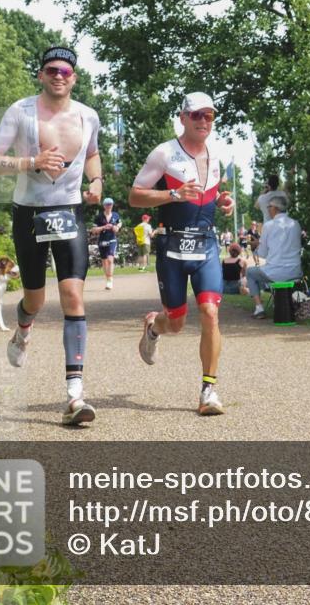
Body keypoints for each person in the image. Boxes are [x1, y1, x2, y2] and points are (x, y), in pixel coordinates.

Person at [0, 45, 103, 426]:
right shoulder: (21, 111)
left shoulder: (88, 116)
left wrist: (96, 180)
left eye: (66, 72)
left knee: (72, 294)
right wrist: (30, 162)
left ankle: (74, 394)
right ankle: (22, 330)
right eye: (52, 70)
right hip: (29, 214)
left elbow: (94, 154)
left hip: (69, 212)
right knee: (34, 298)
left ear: (74, 78)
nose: (59, 76)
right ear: (41, 75)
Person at [129, 91, 235, 416]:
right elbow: (135, 197)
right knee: (175, 323)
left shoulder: (218, 154)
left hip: (205, 245)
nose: (204, 121)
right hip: (172, 247)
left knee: (210, 312)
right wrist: (173, 194)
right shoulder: (164, 153)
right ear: (183, 117)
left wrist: (223, 203)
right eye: (197, 115)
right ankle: (153, 327)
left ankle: (208, 391)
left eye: (209, 116)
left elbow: (214, 195)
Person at [247, 194, 302, 319]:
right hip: (295, 270)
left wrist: (256, 244)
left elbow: (262, 254)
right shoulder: (296, 224)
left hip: (276, 272)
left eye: (269, 206)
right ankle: (279, 304)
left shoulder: (269, 225)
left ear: (275, 208)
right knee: (263, 272)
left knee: (250, 273)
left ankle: (259, 308)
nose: (268, 209)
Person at [91, 197, 121, 289]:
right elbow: (93, 230)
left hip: (112, 239)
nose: (109, 206)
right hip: (102, 240)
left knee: (110, 260)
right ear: (104, 206)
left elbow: (119, 224)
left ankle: (110, 280)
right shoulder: (99, 217)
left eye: (110, 204)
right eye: (107, 204)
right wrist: (104, 227)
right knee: (104, 261)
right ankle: (107, 278)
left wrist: (117, 227)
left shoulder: (115, 215)